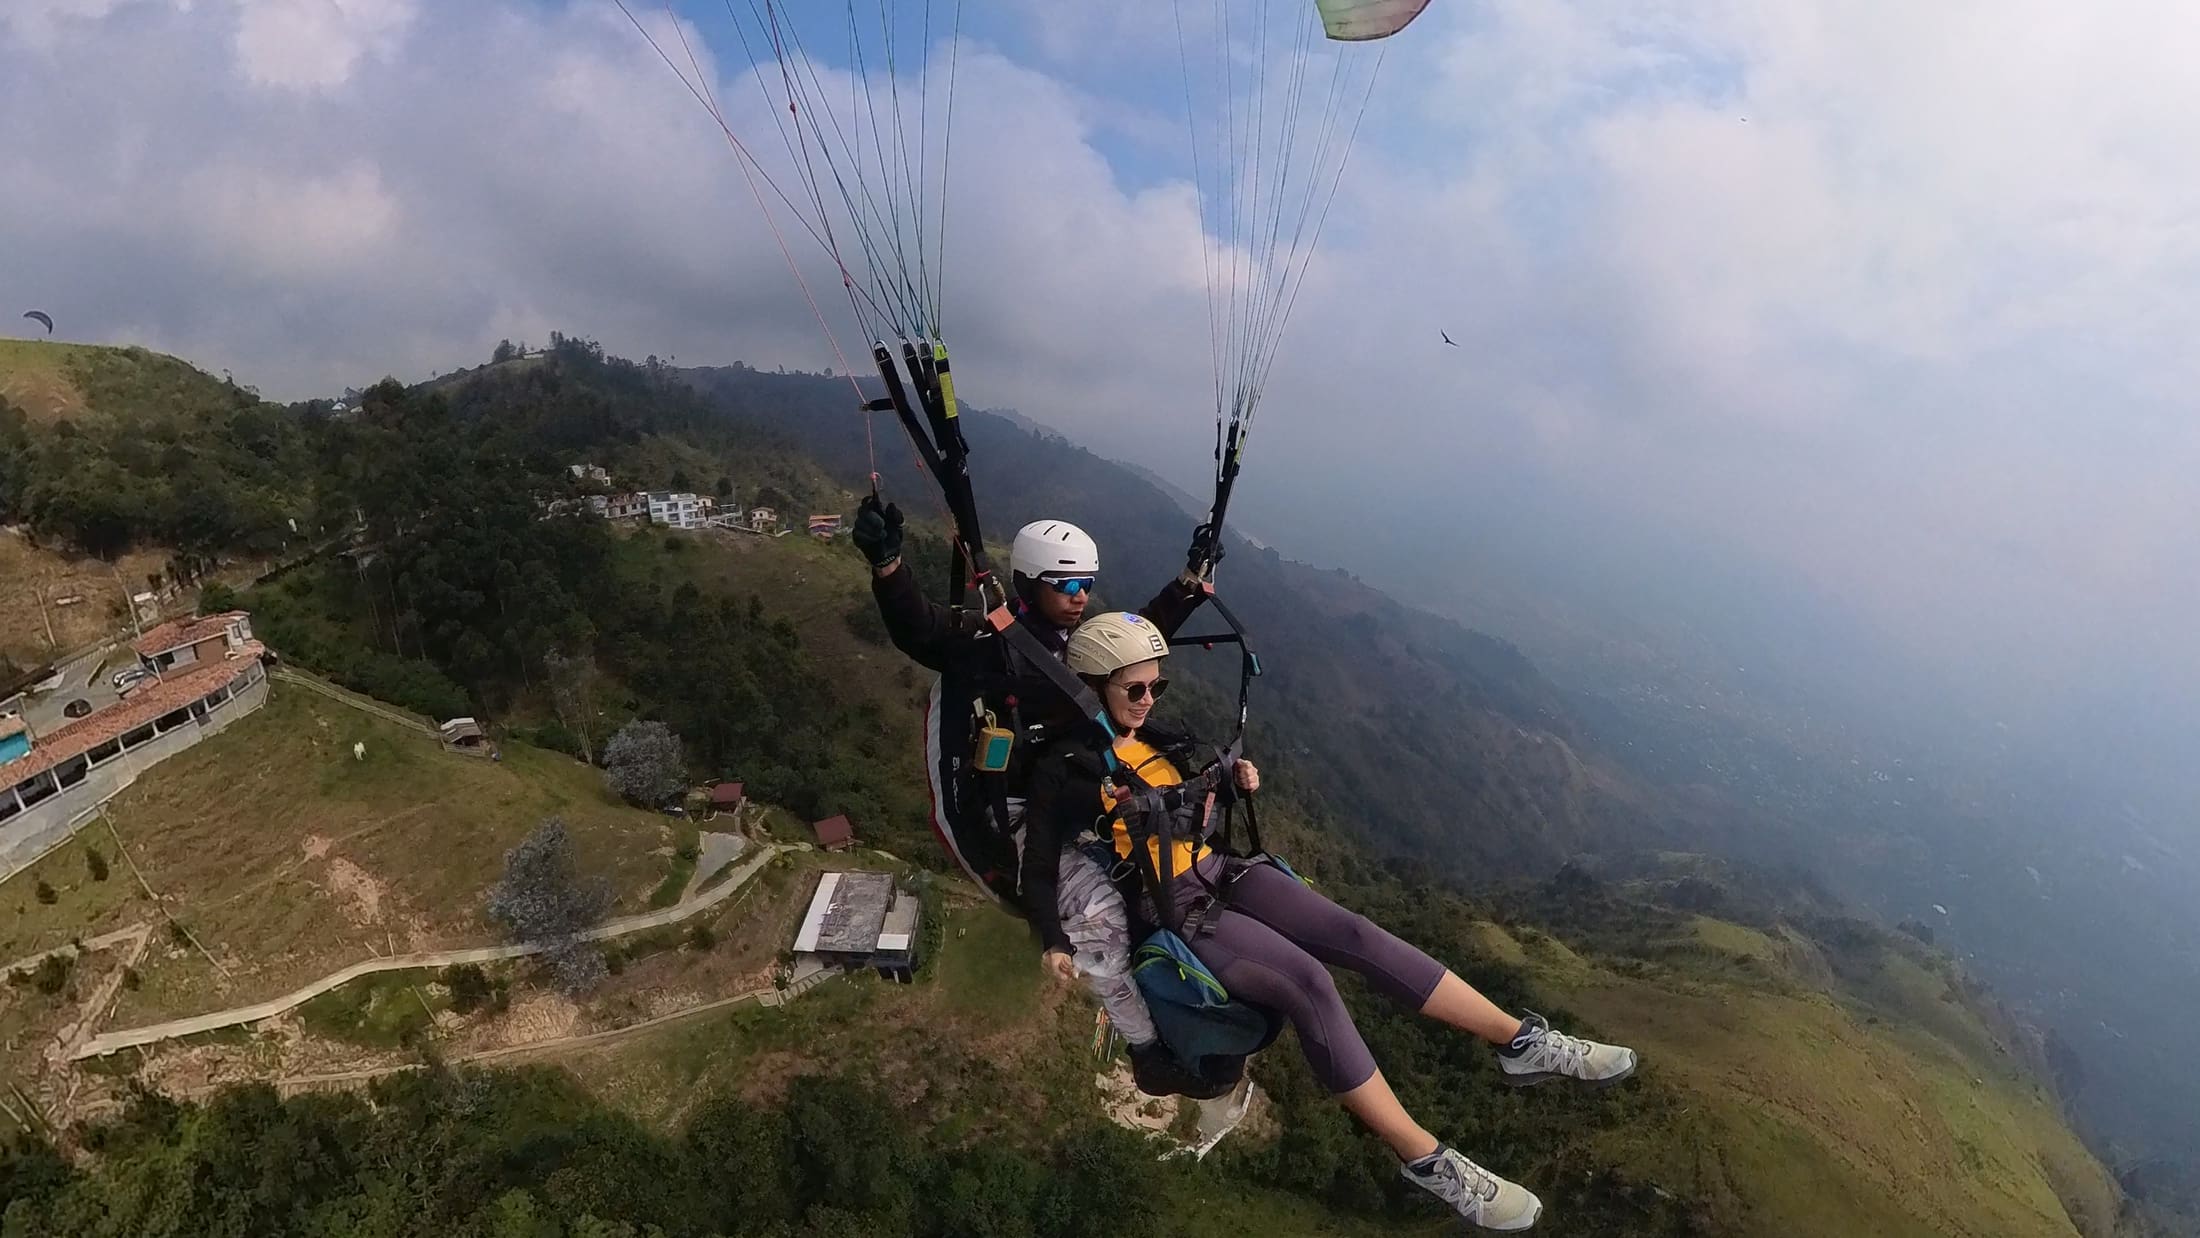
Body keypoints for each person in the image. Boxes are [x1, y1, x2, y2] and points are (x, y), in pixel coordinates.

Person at [1020, 612, 1642, 1232]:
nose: (1149, 699)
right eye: (1135, 689)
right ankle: (1427, 1160)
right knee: (1307, 981)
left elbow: (1197, 804)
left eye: (1157, 686)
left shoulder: (1158, 736)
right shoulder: (1068, 767)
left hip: (1222, 868)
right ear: (1093, 684)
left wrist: (1235, 786)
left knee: (1357, 934)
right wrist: (1053, 939)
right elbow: (1042, 864)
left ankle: (1522, 1043)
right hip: (1175, 909)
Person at [850, 497, 1214, 1094]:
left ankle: (1182, 994)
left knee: (1160, 861)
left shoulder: (1081, 640)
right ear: (1028, 583)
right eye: (1066, 583)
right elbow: (923, 629)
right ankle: (1146, 1050)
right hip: (1007, 813)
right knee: (1101, 915)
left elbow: (1137, 633)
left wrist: (1190, 584)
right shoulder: (992, 640)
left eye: (1087, 583)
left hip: (1070, 795)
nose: (1080, 595)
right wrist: (889, 567)